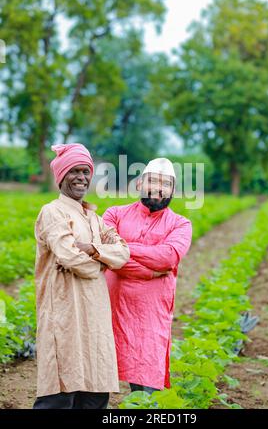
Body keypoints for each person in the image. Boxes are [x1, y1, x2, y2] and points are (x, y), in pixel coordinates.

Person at [33, 143, 130, 409]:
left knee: (95, 393)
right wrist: (101, 263)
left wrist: (94, 250)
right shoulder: (52, 212)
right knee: (60, 393)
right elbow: (69, 256)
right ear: (61, 176)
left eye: (85, 171)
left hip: (95, 314)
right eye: (74, 171)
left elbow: (122, 252)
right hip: (63, 313)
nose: (81, 177)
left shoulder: (94, 218)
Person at [102, 158, 192, 394]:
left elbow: (168, 257)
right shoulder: (114, 214)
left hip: (151, 313)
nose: (158, 188)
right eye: (153, 181)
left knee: (146, 386)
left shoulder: (181, 224)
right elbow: (107, 254)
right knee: (98, 374)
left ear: (173, 190)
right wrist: (151, 271)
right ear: (140, 183)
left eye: (166, 184)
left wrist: (124, 249)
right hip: (111, 307)